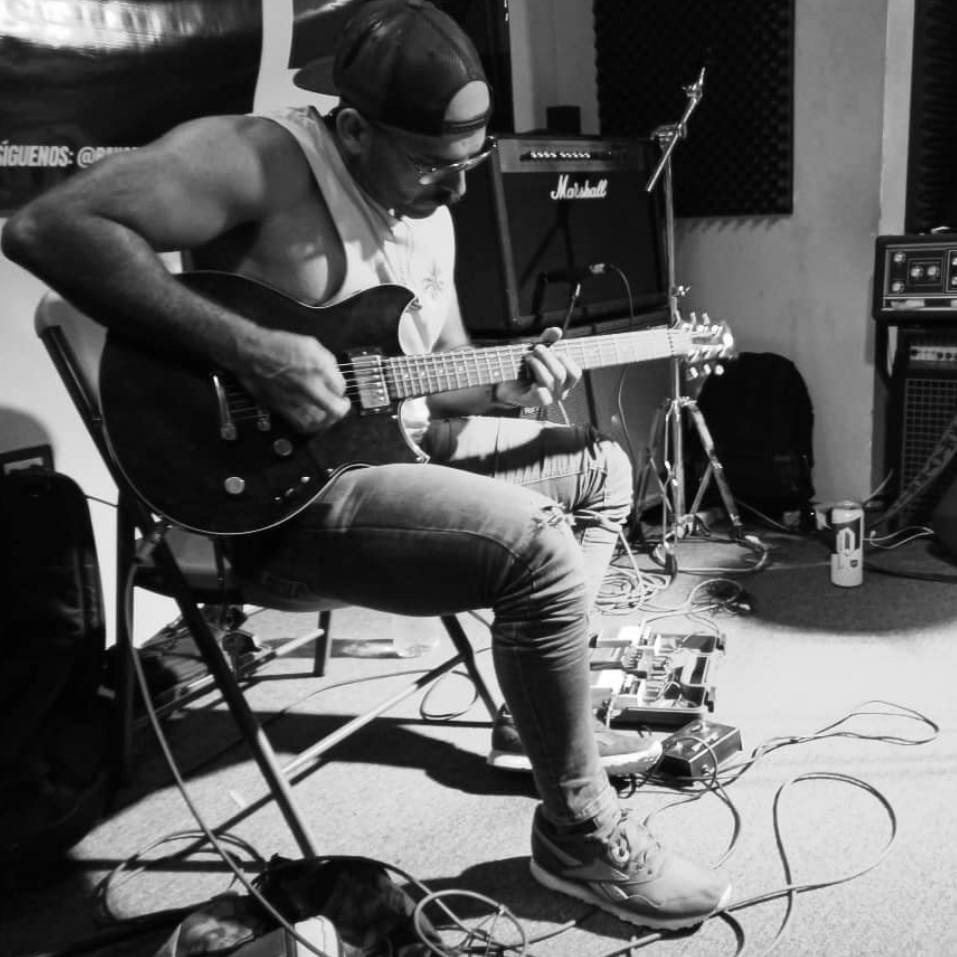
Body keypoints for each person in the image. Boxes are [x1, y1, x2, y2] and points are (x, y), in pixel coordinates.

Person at [2, 0, 731, 930]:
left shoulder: (432, 210)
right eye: (432, 165)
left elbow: (440, 375)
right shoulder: (259, 159)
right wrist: (253, 349)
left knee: (602, 471)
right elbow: (47, 228)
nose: (456, 189)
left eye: (470, 163)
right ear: (352, 130)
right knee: (537, 548)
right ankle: (578, 832)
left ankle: (541, 701)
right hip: (277, 502)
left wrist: (509, 386)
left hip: (395, 448)